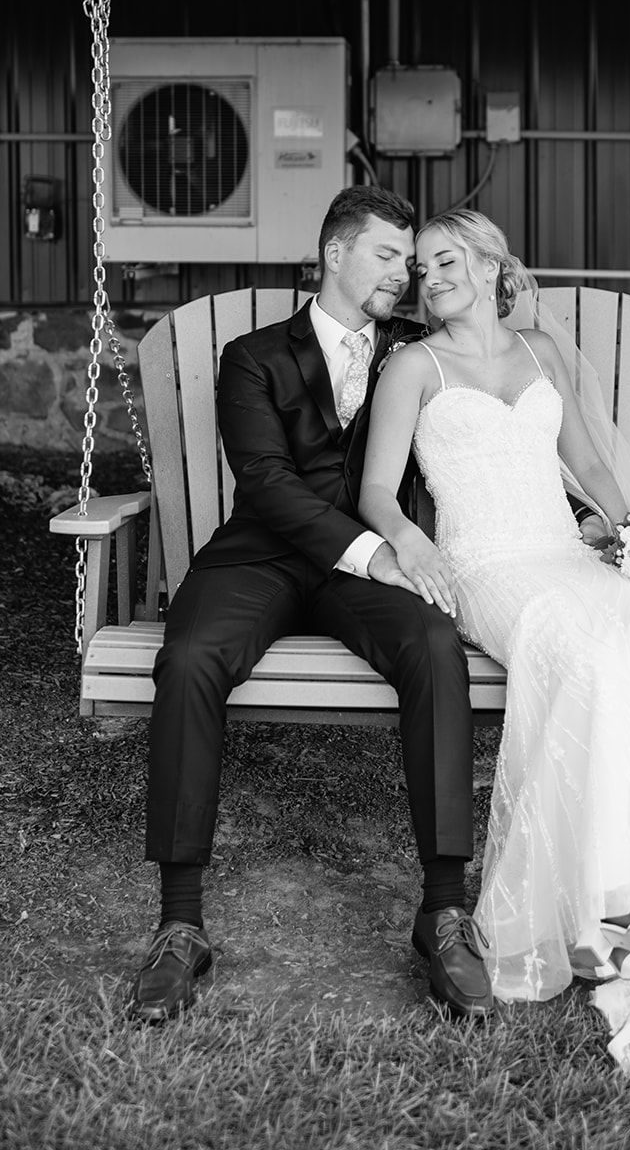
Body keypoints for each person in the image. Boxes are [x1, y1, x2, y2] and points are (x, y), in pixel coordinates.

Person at [359, 208, 630, 1112]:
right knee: (589, 660)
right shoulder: (412, 366)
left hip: (562, 554)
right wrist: (412, 543)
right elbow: (375, 488)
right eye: (420, 269)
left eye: (447, 260)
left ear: (490, 266)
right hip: (485, 568)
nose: (430, 278)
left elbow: (592, 477)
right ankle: (601, 908)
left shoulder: (542, 358)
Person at [129, 187, 493, 1024]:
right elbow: (264, 480)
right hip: (258, 558)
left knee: (434, 650)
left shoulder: (413, 350)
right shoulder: (252, 356)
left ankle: (441, 909)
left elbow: (499, 382)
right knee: (186, 659)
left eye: (410, 261)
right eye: (387, 256)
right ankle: (180, 924)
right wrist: (379, 549)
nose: (403, 276)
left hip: (360, 578)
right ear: (334, 254)